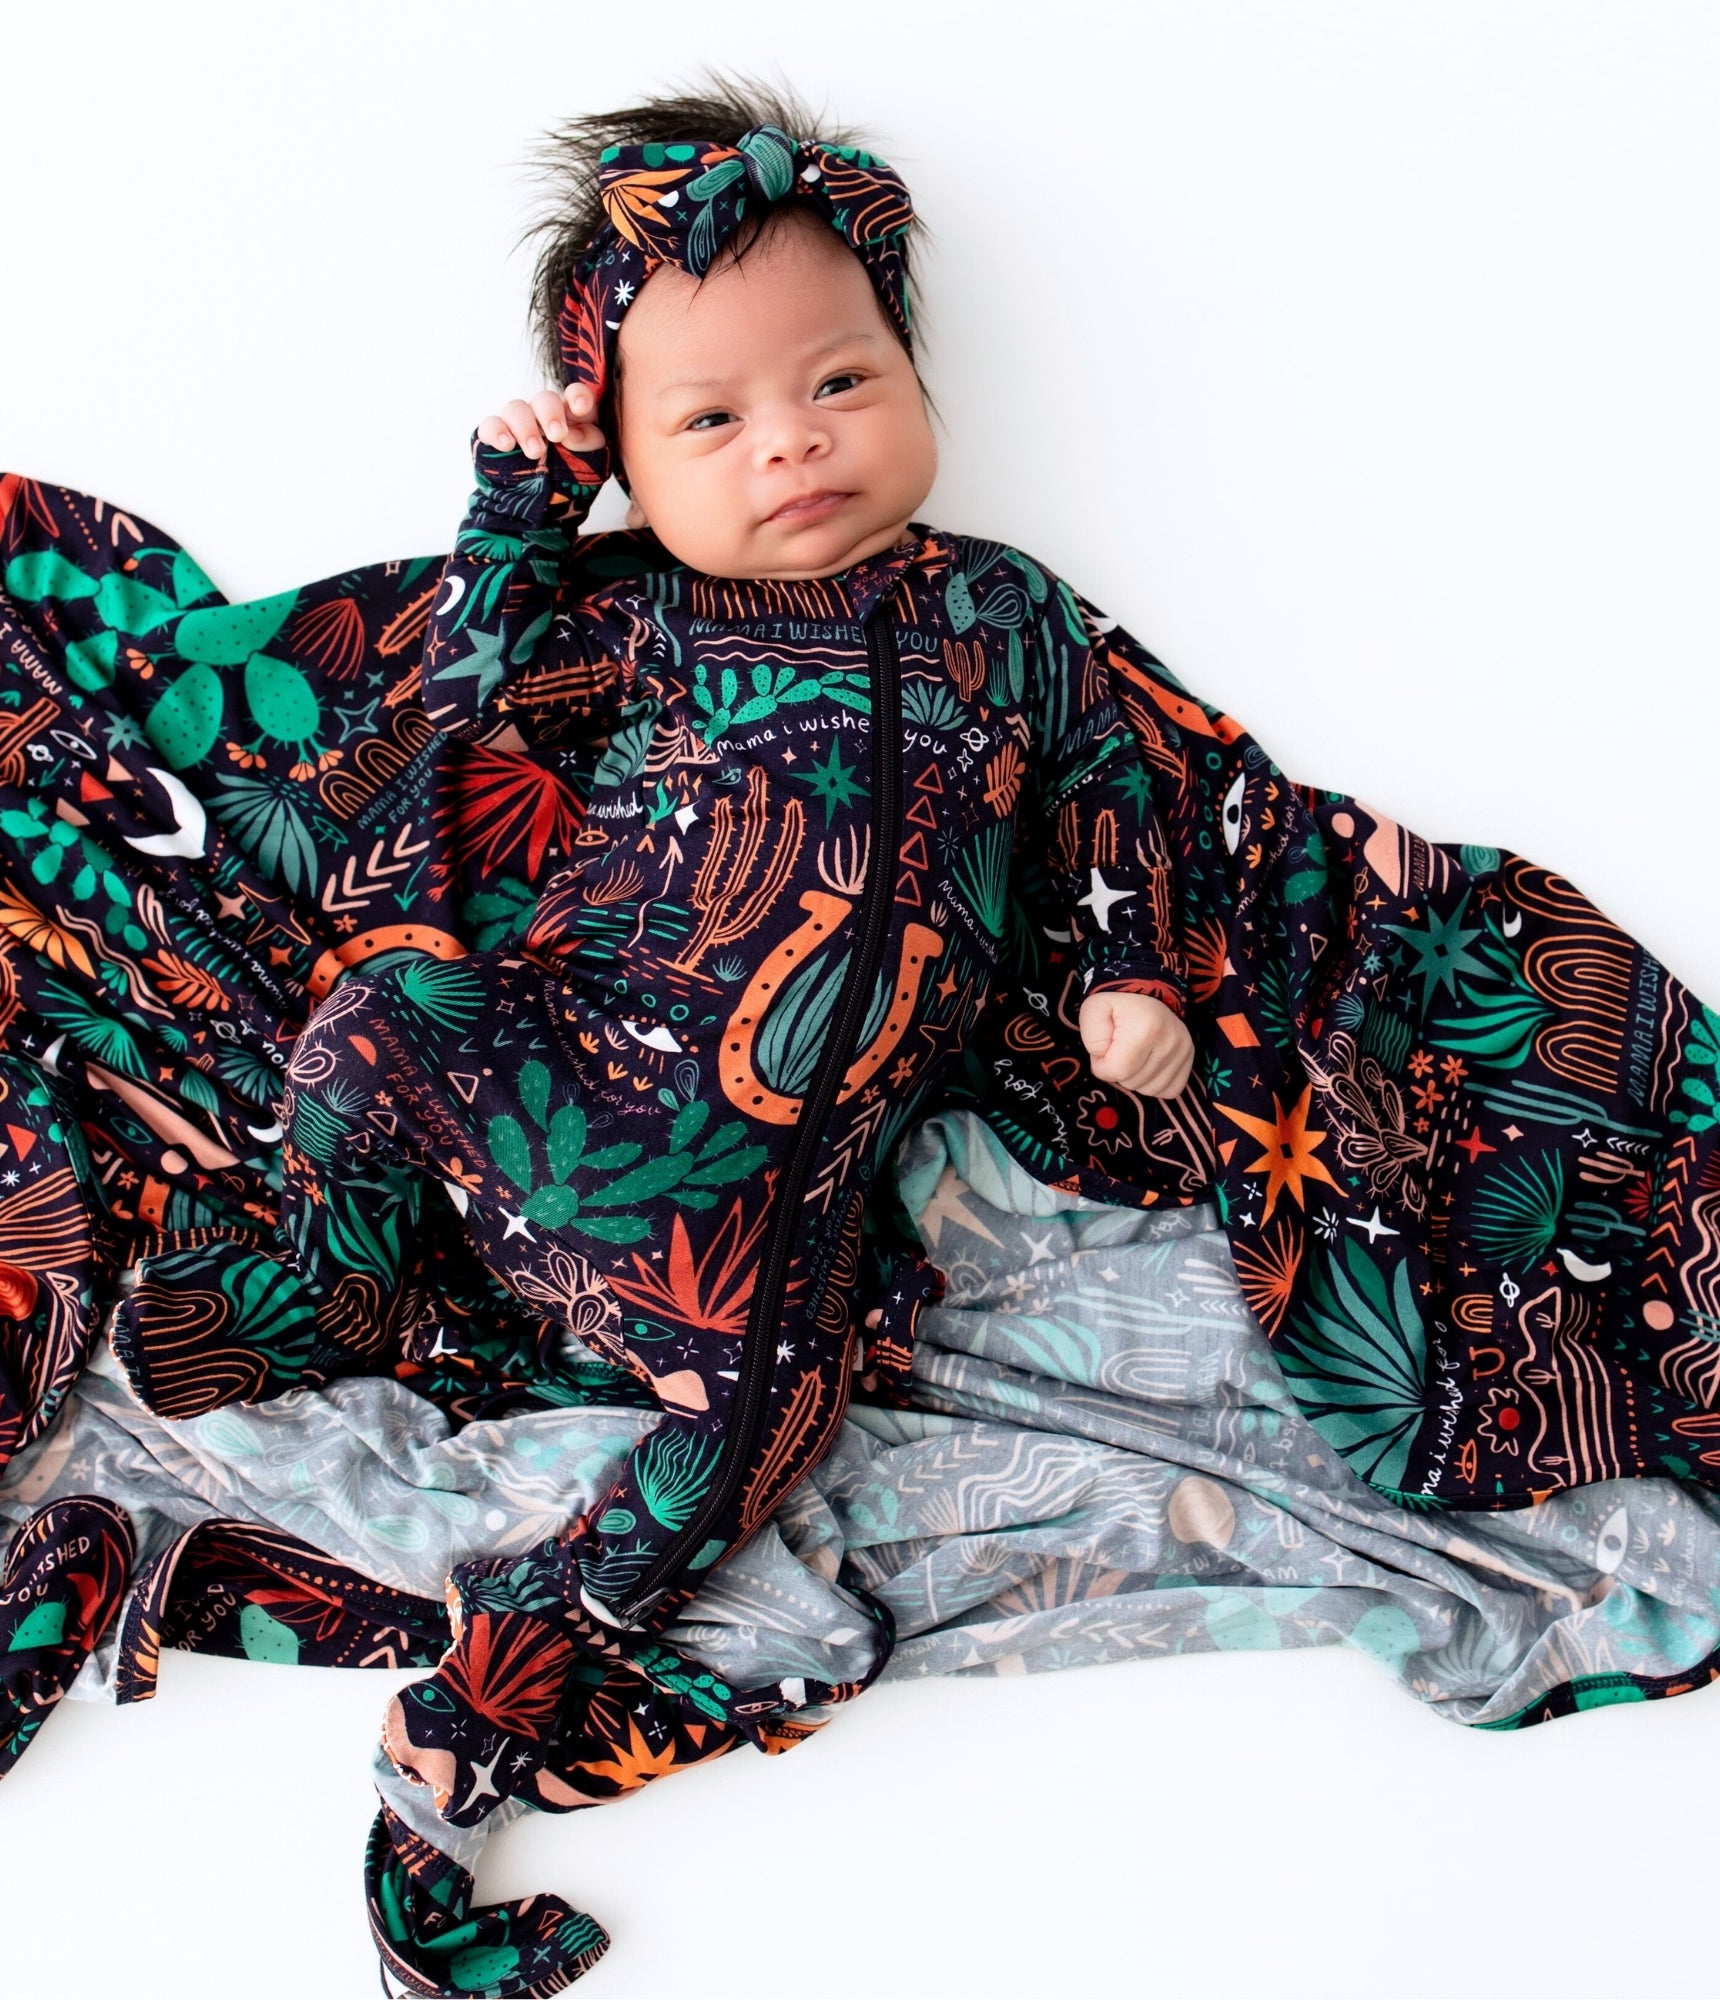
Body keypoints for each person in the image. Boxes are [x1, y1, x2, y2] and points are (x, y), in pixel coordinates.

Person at [279, 78, 1195, 1832]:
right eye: (711, 418)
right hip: (570, 1085)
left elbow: (1105, 786)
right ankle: (331, 1290)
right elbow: (444, 724)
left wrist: (1129, 972)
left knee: (775, 1416)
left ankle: (491, 1693)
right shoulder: (643, 610)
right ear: (624, 459)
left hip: (765, 1206)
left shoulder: (1005, 609)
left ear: (916, 377)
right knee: (382, 1010)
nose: (792, 443)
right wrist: (519, 523)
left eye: (840, 381)